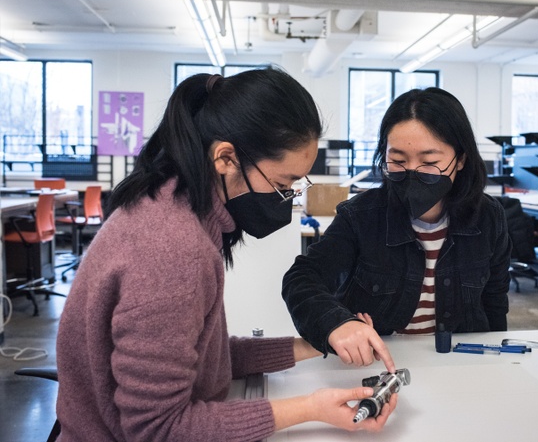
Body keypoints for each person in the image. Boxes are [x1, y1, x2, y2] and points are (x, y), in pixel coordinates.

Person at [55, 67, 397, 442]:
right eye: (282, 185)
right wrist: (310, 408)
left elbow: (206, 360)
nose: (287, 198)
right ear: (225, 158)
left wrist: (318, 343)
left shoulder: (178, 210)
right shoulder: (172, 249)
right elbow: (156, 428)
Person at [282, 87, 511, 367]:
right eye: (398, 161)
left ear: (460, 160)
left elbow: (495, 299)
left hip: (460, 363)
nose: (412, 172)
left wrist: (500, 360)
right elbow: (302, 278)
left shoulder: (488, 217)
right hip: (379, 364)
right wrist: (335, 323)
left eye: (429, 162)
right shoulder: (361, 216)